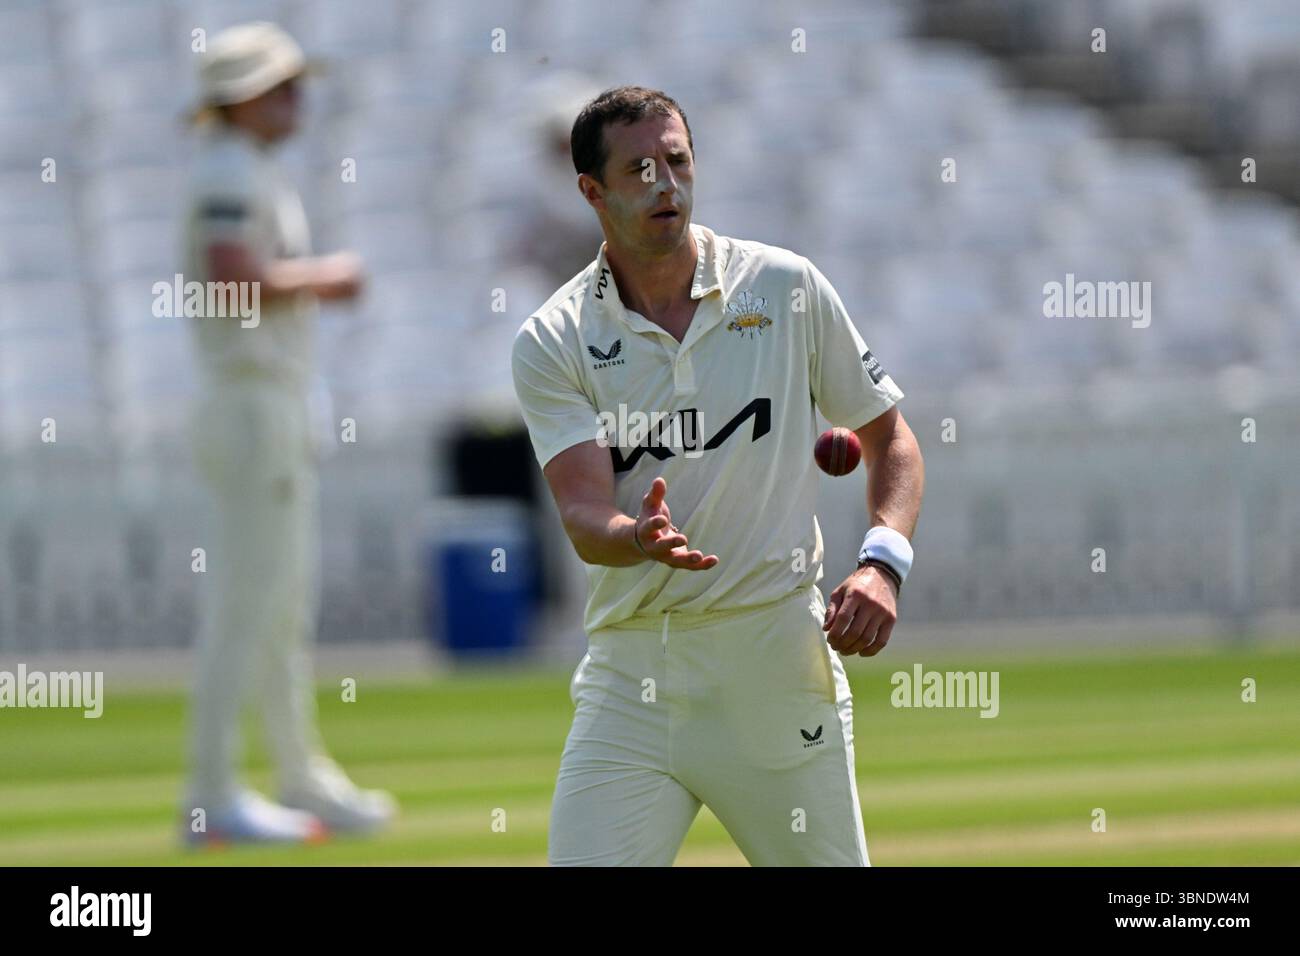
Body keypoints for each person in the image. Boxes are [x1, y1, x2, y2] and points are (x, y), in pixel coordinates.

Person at [511, 86, 925, 866]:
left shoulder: (786, 288)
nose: (666, 183)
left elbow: (891, 438)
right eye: (639, 169)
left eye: (677, 160)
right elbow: (582, 515)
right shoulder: (553, 338)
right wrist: (637, 535)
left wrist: (882, 563)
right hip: (630, 680)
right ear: (591, 193)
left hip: (771, 663)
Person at [179, 21, 395, 844]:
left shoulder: (246, 167)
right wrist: (330, 279)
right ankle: (209, 798)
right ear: (242, 99)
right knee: (246, 606)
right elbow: (235, 278)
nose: (298, 99)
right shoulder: (228, 171)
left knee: (279, 608)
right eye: (282, 86)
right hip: (248, 403)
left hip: (267, 403)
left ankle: (300, 776)